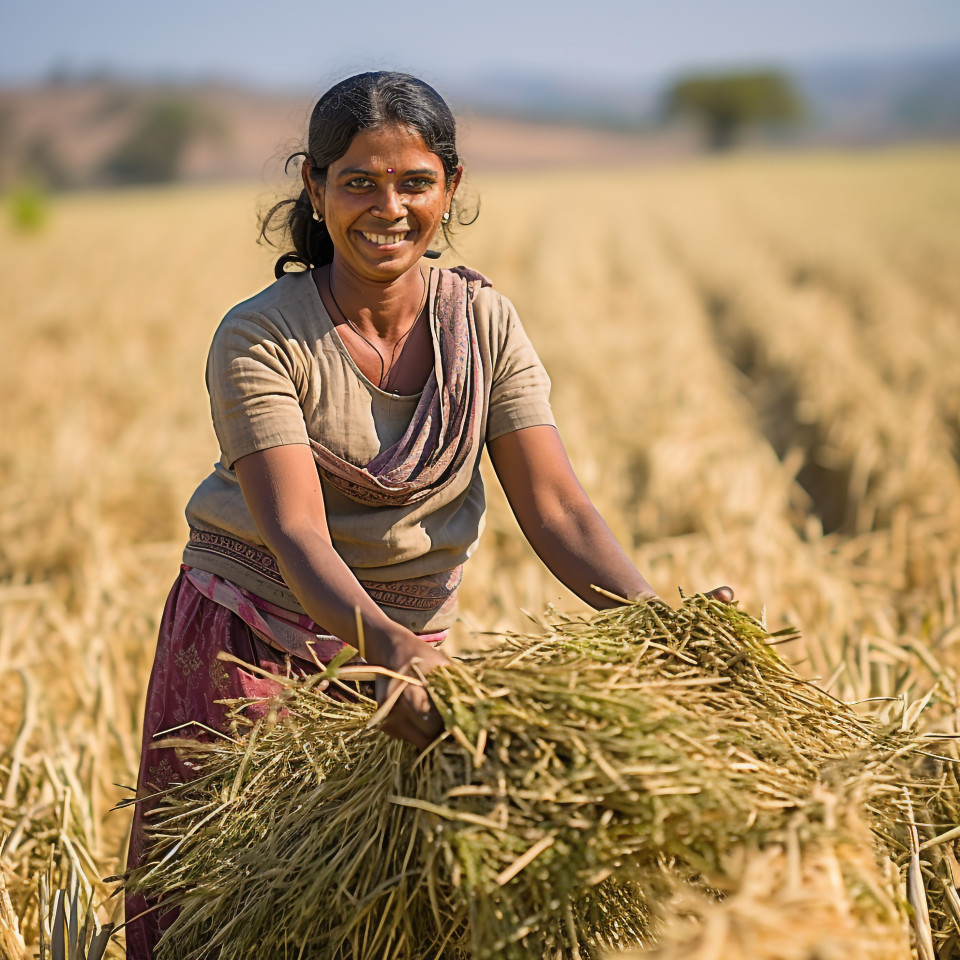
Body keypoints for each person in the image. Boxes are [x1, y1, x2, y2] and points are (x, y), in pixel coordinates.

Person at [123, 71, 732, 959]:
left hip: (414, 658)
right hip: (252, 646)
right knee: (240, 927)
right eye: (359, 182)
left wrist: (657, 619)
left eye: (415, 182)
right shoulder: (258, 337)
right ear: (315, 188)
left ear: (450, 186)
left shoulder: (483, 324)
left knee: (402, 924)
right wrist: (388, 653)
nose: (389, 208)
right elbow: (297, 531)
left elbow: (557, 505)